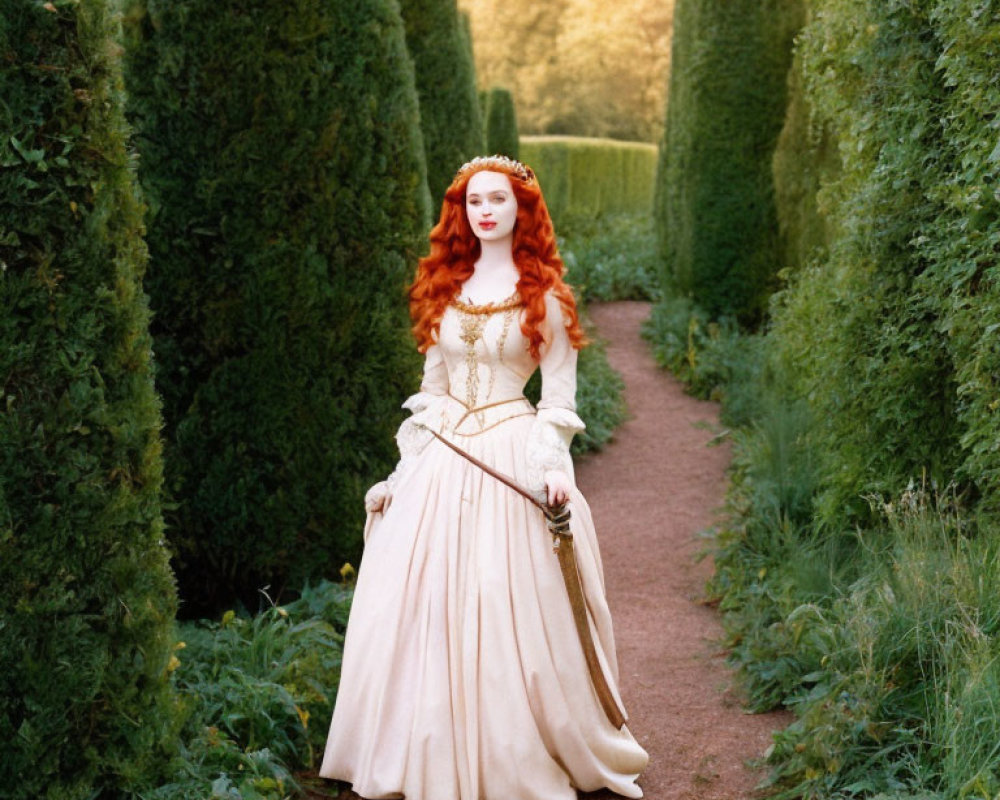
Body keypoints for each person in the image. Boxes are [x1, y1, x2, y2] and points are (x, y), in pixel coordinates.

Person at [320, 155, 648, 799]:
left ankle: (511, 750)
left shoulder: (546, 297)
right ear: (462, 212)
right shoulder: (445, 286)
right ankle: (422, 746)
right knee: (414, 601)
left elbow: (557, 399)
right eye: (474, 202)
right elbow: (431, 392)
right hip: (442, 456)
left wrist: (552, 469)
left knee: (501, 592)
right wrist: (403, 470)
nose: (486, 210)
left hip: (510, 450)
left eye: (498, 199)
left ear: (522, 209)